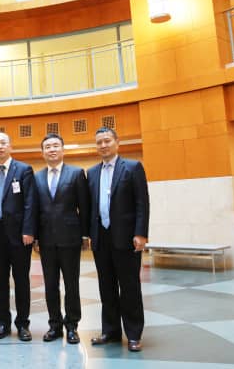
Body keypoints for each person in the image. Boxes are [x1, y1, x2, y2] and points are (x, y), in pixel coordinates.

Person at [87, 127, 149, 352]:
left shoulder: (132, 167)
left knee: (130, 287)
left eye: (107, 141)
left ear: (117, 142)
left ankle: (133, 334)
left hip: (127, 238)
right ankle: (111, 331)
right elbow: (90, 206)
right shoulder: (92, 172)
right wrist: (90, 234)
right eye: (99, 142)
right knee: (107, 287)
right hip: (101, 238)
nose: (103, 145)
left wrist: (141, 233)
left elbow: (142, 203)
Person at [0, 132, 37, 342]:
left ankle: (23, 324)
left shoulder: (23, 170)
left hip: (19, 236)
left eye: (3, 143)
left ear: (10, 146)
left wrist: (28, 230)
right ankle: (3, 323)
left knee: (21, 281)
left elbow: (30, 202)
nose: (0, 146)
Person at [34, 133, 90, 344]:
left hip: (70, 238)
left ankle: (72, 325)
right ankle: (54, 325)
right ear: (43, 152)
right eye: (47, 147)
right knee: (50, 285)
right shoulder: (36, 177)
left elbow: (84, 207)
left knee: (71, 284)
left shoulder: (76, 173)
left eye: (55, 145)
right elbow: (34, 210)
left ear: (62, 149)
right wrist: (36, 237)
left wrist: (85, 234)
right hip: (46, 240)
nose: (52, 149)